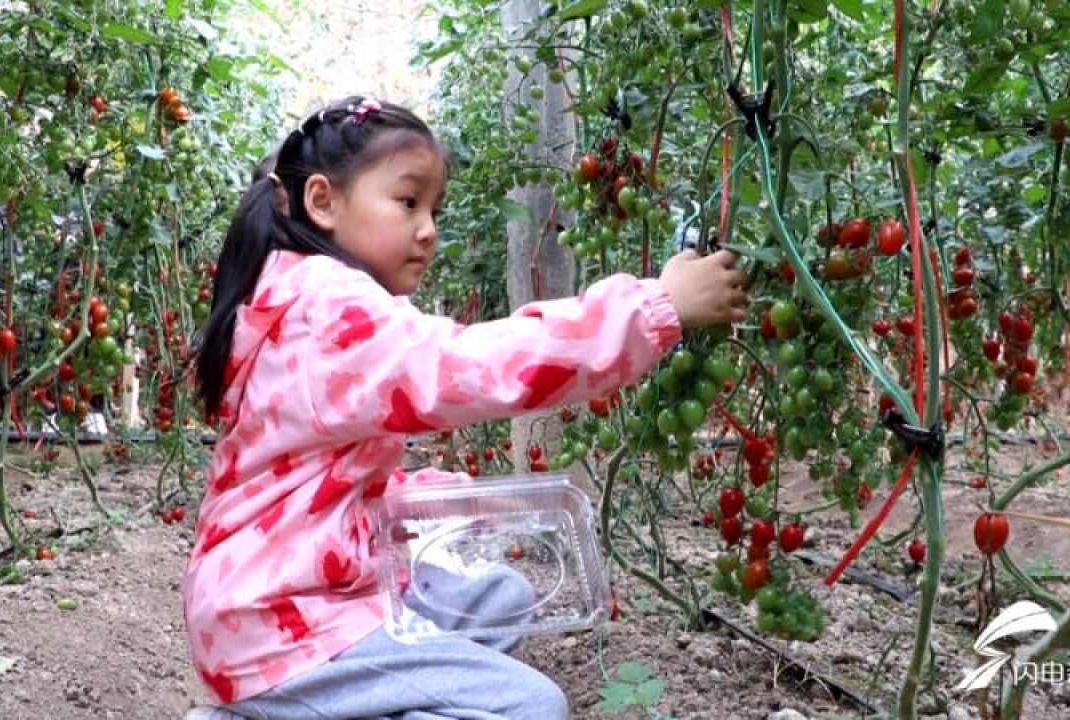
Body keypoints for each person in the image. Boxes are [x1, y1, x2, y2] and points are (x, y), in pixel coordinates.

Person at [184, 96, 749, 720]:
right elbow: (475, 366)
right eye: (407, 202)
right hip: (285, 626)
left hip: (277, 598)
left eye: (433, 209)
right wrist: (654, 307)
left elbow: (300, 469)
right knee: (531, 706)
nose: (427, 228)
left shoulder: (293, 300)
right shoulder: (329, 311)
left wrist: (424, 491)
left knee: (498, 598)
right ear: (323, 202)